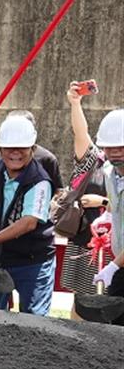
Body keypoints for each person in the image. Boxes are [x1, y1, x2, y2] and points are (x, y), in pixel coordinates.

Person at [0, 115, 57, 315]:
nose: (15, 153)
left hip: (32, 260)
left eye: (23, 148)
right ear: (0, 150)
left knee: (33, 320)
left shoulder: (40, 181)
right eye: (9, 148)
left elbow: (28, 223)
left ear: (33, 149)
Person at [60, 82, 112, 312]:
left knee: (112, 303)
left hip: (116, 250)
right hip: (84, 242)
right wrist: (75, 103)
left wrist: (102, 202)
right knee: (81, 301)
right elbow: (80, 133)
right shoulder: (94, 160)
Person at [72, 107, 124, 301]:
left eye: (121, 147)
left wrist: (113, 266)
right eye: (110, 148)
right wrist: (108, 215)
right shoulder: (110, 171)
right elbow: (114, 198)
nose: (115, 153)